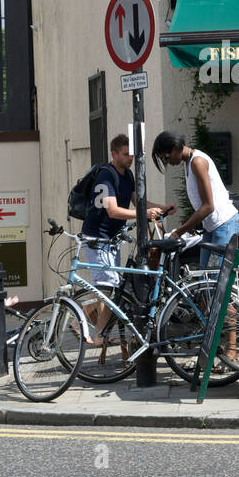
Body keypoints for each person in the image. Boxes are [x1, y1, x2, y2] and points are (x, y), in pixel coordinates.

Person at [79, 135, 168, 335]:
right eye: (126, 154)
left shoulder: (128, 175)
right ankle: (79, 318)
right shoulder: (106, 175)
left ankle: (100, 334)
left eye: (132, 154)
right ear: (114, 154)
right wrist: (144, 214)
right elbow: (113, 210)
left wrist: (161, 208)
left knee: (111, 289)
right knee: (106, 288)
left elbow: (138, 202)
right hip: (97, 239)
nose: (130, 158)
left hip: (112, 239)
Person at [150, 131, 239, 268]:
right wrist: (193, 224)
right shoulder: (189, 162)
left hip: (224, 223)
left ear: (175, 147)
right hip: (212, 226)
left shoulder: (197, 162)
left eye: (166, 157)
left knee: (216, 280)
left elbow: (208, 206)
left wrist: (179, 232)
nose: (168, 162)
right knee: (204, 276)